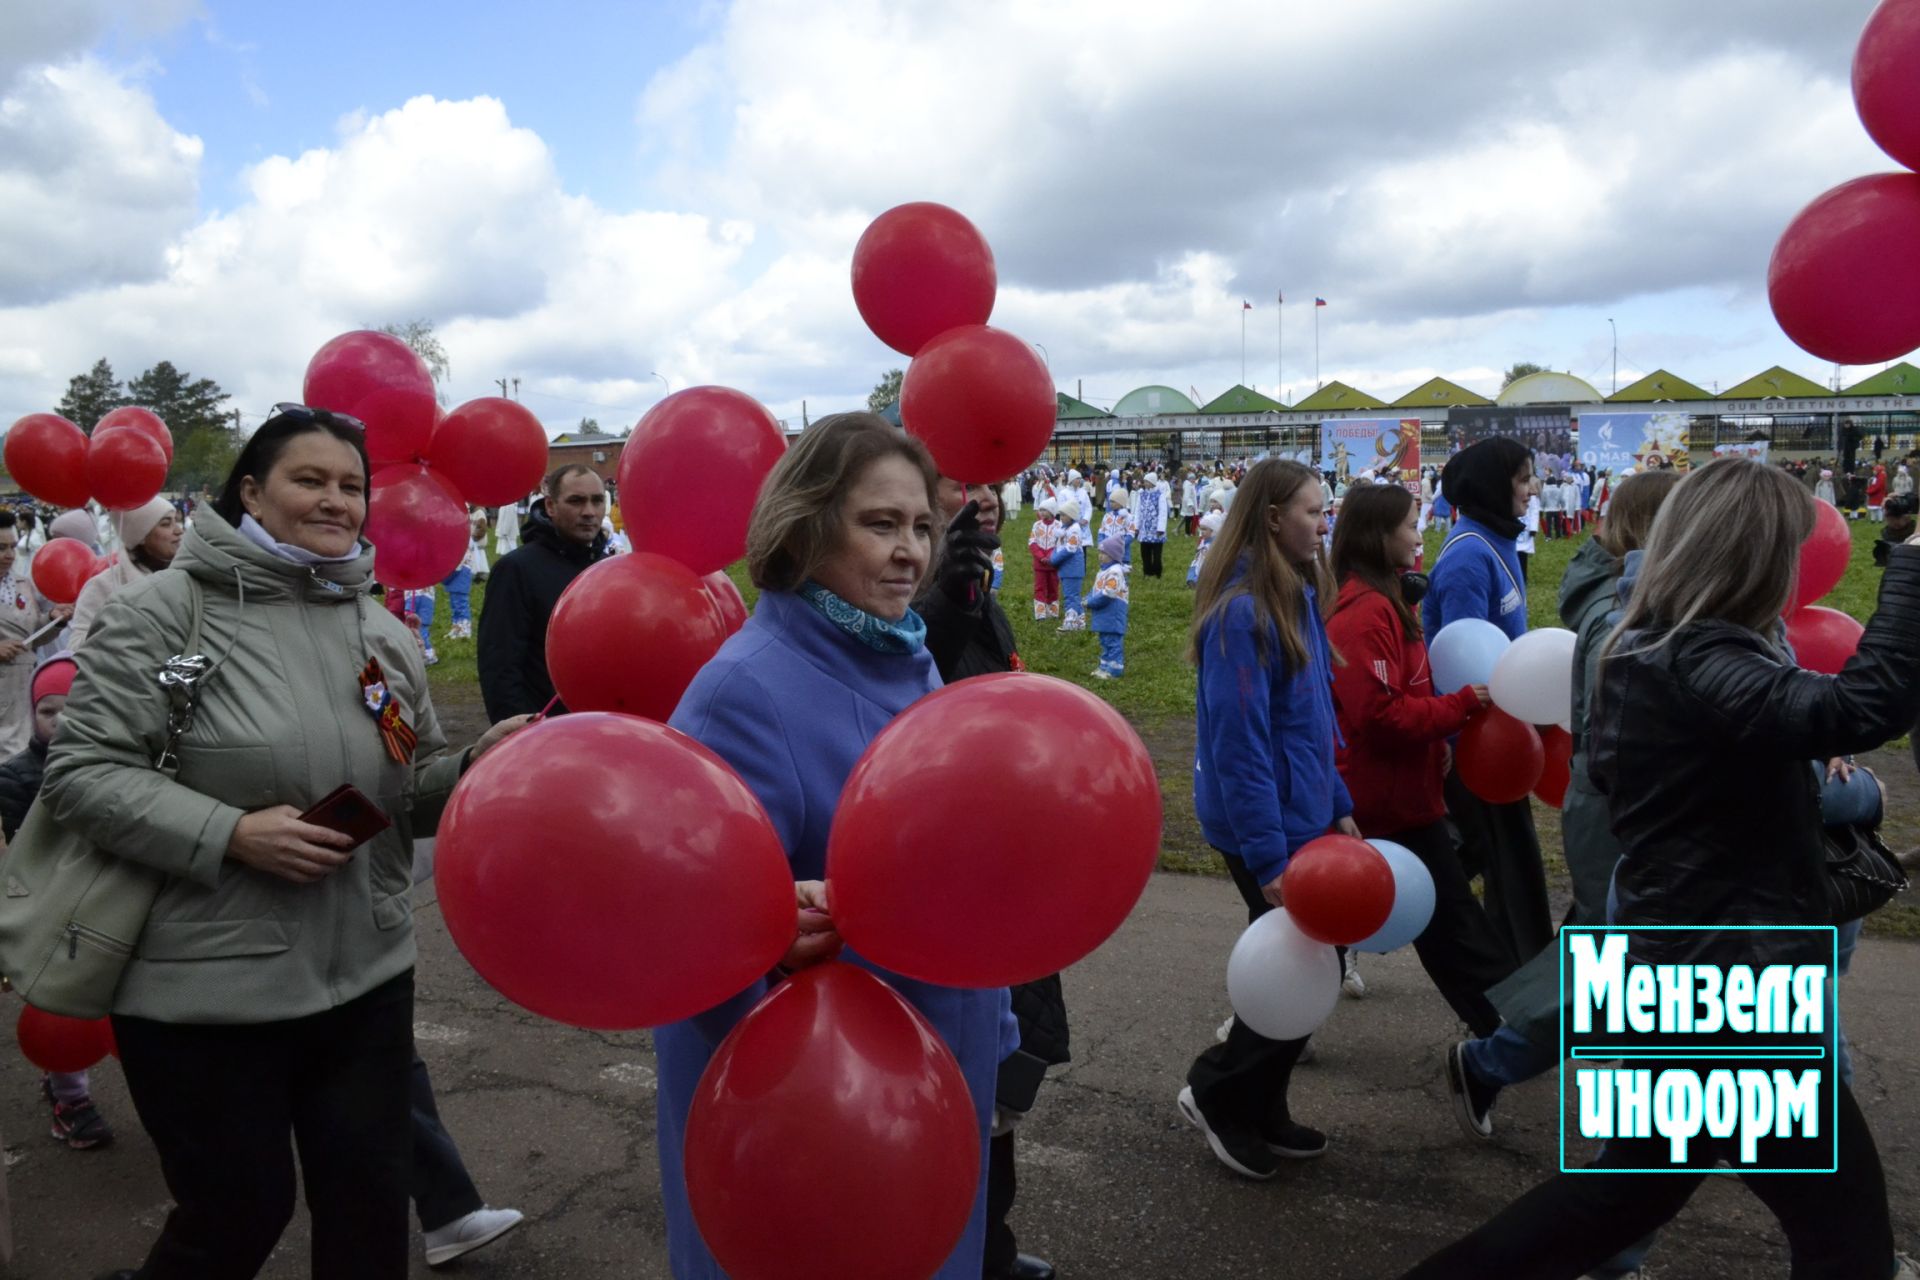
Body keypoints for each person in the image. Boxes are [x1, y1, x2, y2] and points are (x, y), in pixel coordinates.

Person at [1399, 457, 1920, 1280]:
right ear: (1750, 557)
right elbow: (1863, 706)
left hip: (1689, 978)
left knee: (1610, 1206)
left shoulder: (1654, 647)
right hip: (1728, 996)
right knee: (1842, 1240)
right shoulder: (1698, 660)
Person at [51, 405, 529, 1280]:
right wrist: (229, 833)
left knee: (371, 1208)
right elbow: (81, 775)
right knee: (237, 1212)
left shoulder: (379, 633)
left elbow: (401, 786)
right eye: (309, 479)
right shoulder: (163, 617)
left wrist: (472, 767)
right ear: (250, 493)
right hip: (205, 993)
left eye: (352, 485)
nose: (336, 500)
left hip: (366, 977)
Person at [657, 413, 1015, 1279]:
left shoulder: (901, 652)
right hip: (820, 1108)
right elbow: (688, 928)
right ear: (808, 525)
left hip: (936, 1056)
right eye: (881, 524)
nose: (912, 553)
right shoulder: (744, 690)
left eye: (923, 526)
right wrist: (777, 925)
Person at [1443, 469, 1681, 1162]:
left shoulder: (1633, 597)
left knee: (1598, 977)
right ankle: (1615, 1195)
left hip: (1626, 817)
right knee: (1630, 988)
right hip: (1626, 821)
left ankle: (1487, 1065)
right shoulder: (1622, 614)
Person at [1178, 459, 1352, 1181]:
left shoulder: (1298, 595)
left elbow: (1314, 717)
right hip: (1265, 826)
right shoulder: (1242, 613)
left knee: (1317, 962)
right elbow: (1239, 745)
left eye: (1325, 510)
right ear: (1273, 518)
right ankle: (1218, 1092)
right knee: (1303, 965)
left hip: (1306, 815)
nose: (1323, 523)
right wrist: (1268, 856)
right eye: (1312, 511)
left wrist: (1340, 807)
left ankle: (1263, 1104)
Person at [1325, 484, 1514, 1039]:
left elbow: (1405, 691)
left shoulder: (1390, 602)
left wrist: (1437, 746)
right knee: (1454, 925)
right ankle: (1505, 1035)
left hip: (1406, 794)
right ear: (1379, 536)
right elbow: (1380, 716)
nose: (1420, 533)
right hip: (1386, 803)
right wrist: (1460, 707)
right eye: (1411, 524)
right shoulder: (1365, 614)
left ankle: (1263, 1037)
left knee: (1445, 923)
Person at [1424, 438, 1551, 965]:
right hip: (1475, 739)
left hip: (1502, 731)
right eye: (1522, 479)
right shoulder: (1468, 557)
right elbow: (1462, 657)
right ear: (1495, 487)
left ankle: (1369, 915)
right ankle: (1521, 970)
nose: (1532, 489)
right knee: (1503, 854)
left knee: (1486, 854)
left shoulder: (1499, 543)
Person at [2, 655, 118, 1151]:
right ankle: (69, 1098)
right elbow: (17, 860)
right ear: (33, 716)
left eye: (77, 710)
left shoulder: (116, 767)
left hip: (107, 902)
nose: (64, 722)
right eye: (51, 712)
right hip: (52, 908)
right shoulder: (15, 779)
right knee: (61, 1004)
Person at [476, 465, 609, 722]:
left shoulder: (608, 568)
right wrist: (522, 734)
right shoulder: (517, 570)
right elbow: (500, 666)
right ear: (550, 506)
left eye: (597, 500)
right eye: (576, 501)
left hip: (602, 728)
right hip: (546, 735)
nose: (589, 512)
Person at [0, 511, 67, 758]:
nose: (9, 555)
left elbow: (30, 638)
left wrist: (53, 621)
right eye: (1, 548)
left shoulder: (23, 584)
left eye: (12, 547)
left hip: (24, 688)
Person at [1084, 535, 1130, 680]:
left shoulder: (1115, 572)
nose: (1100, 556)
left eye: (1104, 553)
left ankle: (1115, 669)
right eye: (1100, 552)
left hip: (1113, 611)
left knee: (1112, 641)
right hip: (1104, 612)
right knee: (1105, 639)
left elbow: (1108, 593)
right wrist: (1088, 597)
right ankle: (1104, 666)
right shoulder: (1104, 570)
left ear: (1114, 556)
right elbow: (1096, 589)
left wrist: (1090, 602)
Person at [1050, 500, 1089, 632]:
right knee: (1074, 595)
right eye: (1060, 515)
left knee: (1071, 596)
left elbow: (1070, 549)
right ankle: (1080, 622)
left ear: (1072, 516)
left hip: (1073, 569)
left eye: (1064, 515)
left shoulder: (1075, 529)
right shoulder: (1064, 528)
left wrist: (1054, 559)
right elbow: (1059, 545)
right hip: (1067, 568)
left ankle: (1070, 624)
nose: (1061, 518)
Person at [1028, 497, 1061, 620]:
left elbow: (1060, 543)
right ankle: (1040, 613)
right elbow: (1032, 542)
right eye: (1040, 510)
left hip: (1053, 563)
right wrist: (1041, 556)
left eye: (1044, 510)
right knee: (1039, 587)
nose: (1041, 512)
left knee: (1053, 586)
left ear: (1052, 511)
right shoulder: (1036, 525)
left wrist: (1051, 556)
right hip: (1039, 564)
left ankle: (1053, 612)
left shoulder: (1059, 526)